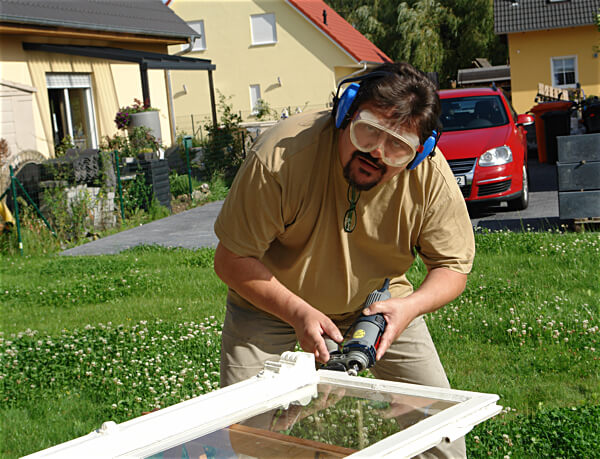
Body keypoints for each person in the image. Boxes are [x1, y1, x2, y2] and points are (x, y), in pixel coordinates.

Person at [213, 62, 474, 458]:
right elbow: (231, 260)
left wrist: (408, 308)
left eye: (398, 147)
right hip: (271, 306)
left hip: (379, 305)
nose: (376, 153)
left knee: (441, 428)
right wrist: (299, 313)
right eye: (368, 130)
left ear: (418, 154)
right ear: (345, 113)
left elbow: (453, 267)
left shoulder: (430, 178)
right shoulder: (281, 157)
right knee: (251, 437)